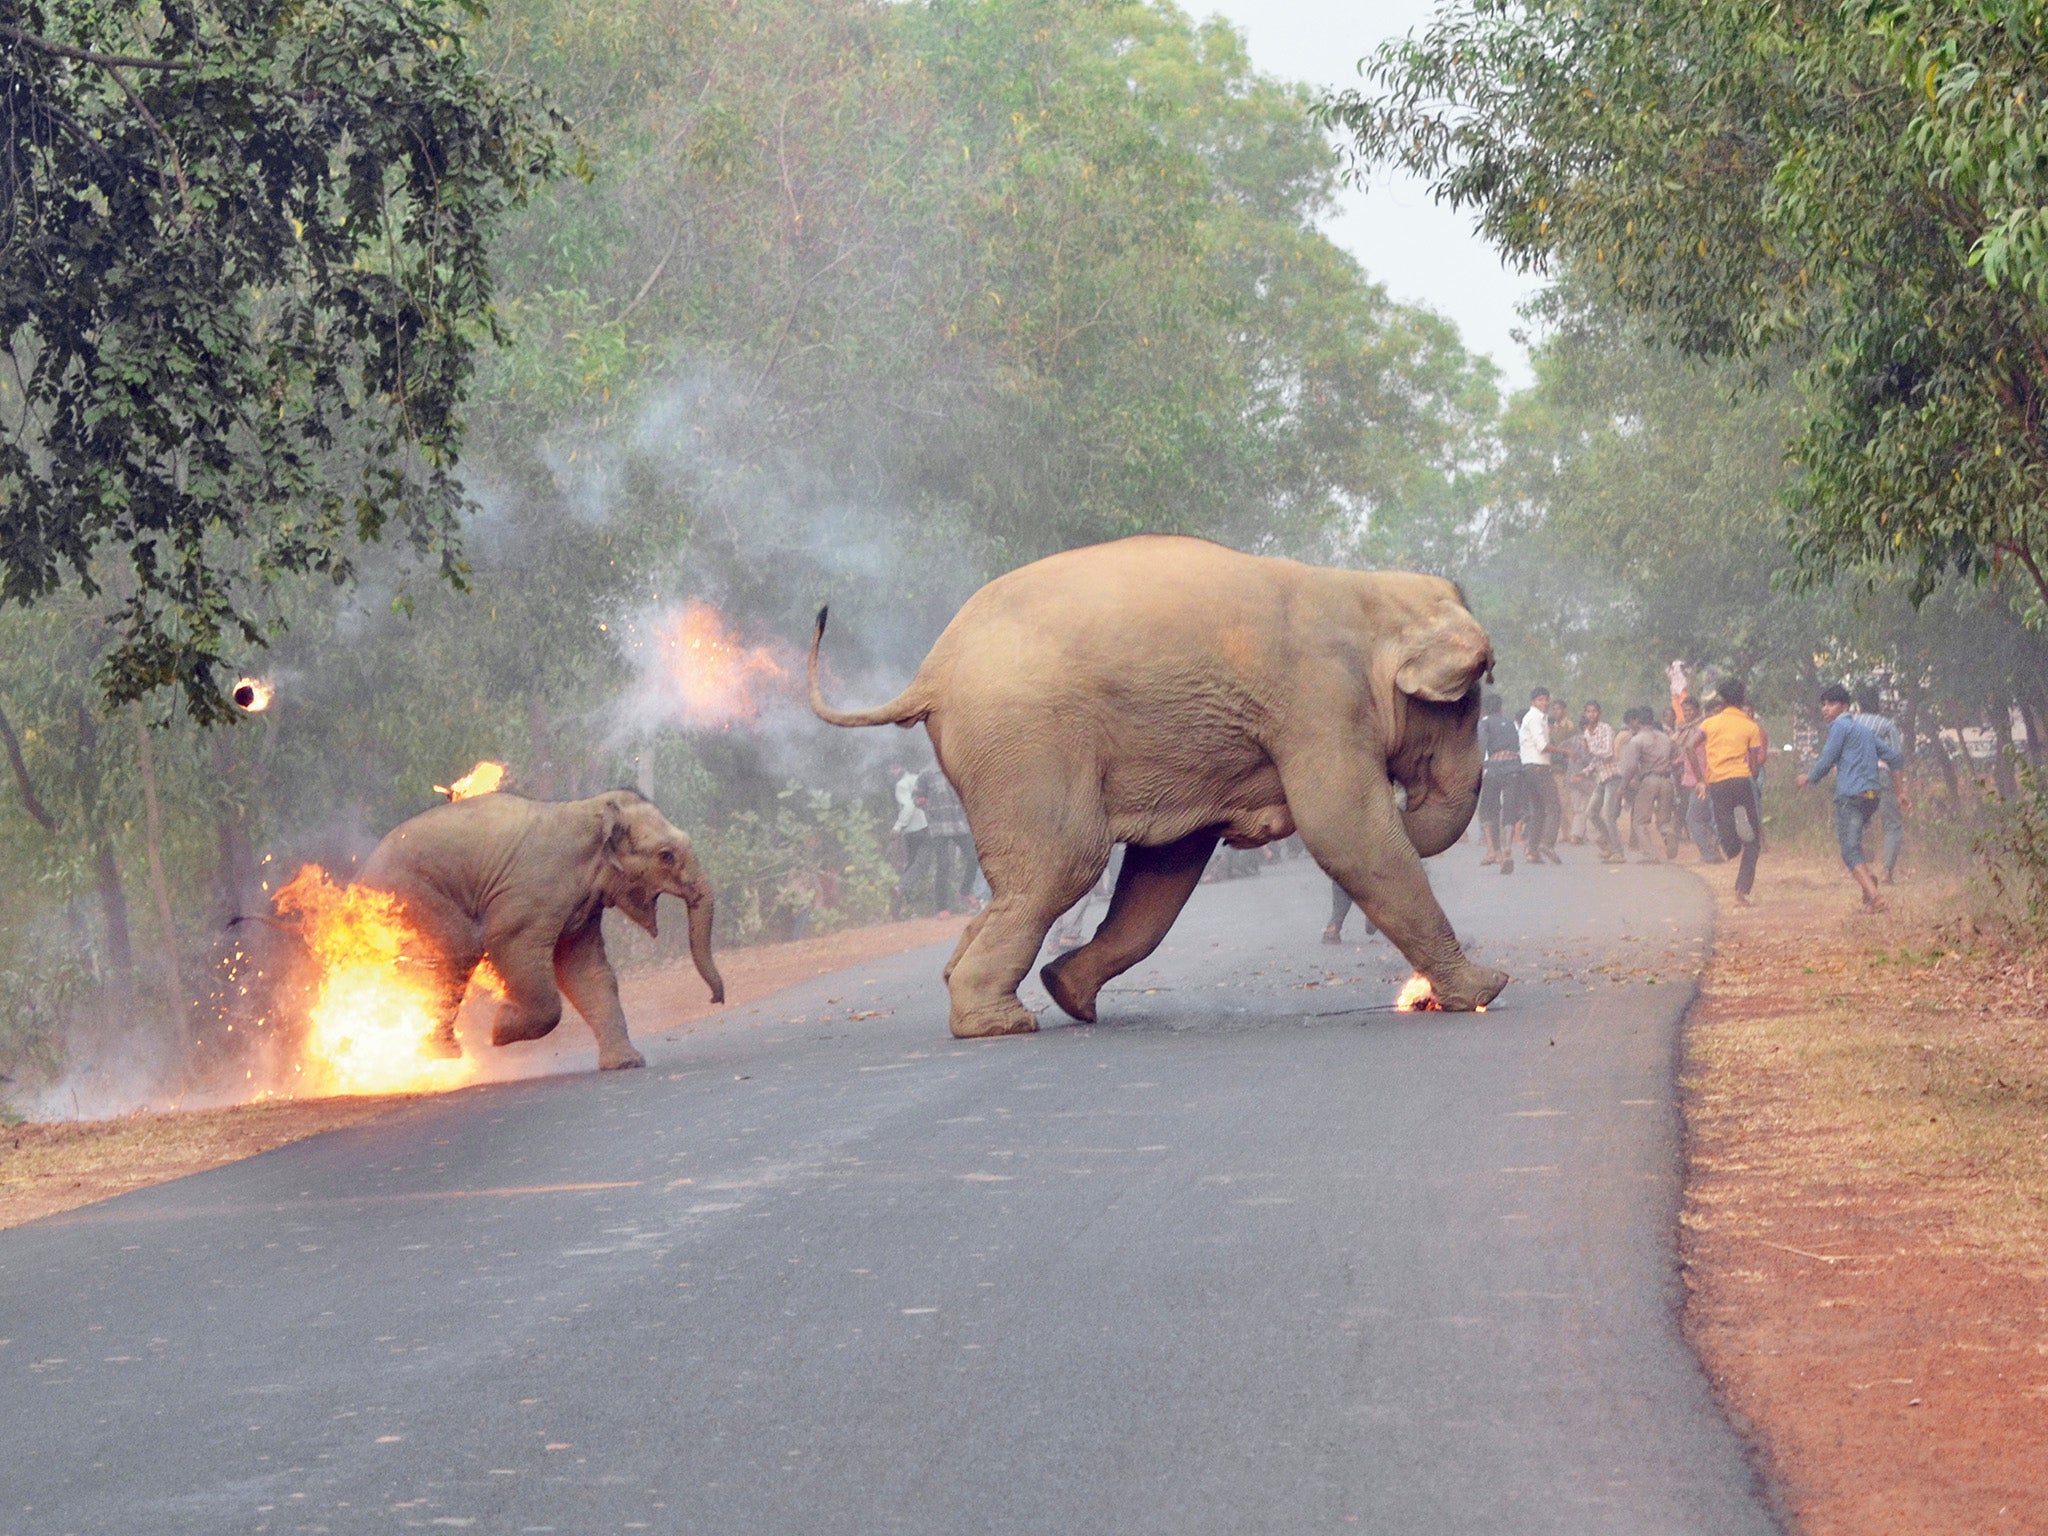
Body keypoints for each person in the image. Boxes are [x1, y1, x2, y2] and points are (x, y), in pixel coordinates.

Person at [1798, 683, 1907, 912]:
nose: (1826, 709)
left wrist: (1810, 778)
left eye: (1831, 704)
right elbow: (1895, 758)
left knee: (1849, 851)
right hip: (1871, 796)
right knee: (1856, 846)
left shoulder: (1840, 727)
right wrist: (1900, 791)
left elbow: (1827, 759)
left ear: (1844, 706)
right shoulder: (1864, 731)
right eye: (1824, 704)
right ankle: (1869, 887)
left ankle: (1877, 898)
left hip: (1851, 796)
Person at [1692, 679, 1767, 904]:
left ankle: (1730, 844)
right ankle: (1741, 891)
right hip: (1742, 781)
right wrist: (1751, 775)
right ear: (1742, 699)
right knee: (1753, 842)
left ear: (1722, 700)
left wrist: (1700, 779)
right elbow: (1755, 763)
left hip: (1718, 783)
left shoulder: (1710, 723)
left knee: (1728, 835)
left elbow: (1688, 746)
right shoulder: (1750, 726)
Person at [1855, 686, 1909, 883]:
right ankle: (1886, 872)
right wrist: (1900, 791)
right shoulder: (1887, 725)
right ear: (1878, 705)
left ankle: (1864, 868)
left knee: (1860, 820)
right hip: (1881, 775)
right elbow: (1895, 759)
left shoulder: (1850, 724)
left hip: (1858, 779)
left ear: (1859, 705)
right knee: (1892, 823)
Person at [1618, 709, 1682, 862]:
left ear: (1638, 722)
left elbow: (1631, 767)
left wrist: (1623, 786)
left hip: (1649, 780)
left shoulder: (1637, 740)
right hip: (1667, 780)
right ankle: (1669, 833)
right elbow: (1677, 756)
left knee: (1639, 822)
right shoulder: (1666, 738)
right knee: (1664, 820)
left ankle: (1651, 855)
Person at [919, 765, 980, 916]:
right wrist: (924, 802)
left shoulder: (957, 768)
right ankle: (941, 908)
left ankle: (965, 892)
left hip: (959, 824)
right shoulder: (927, 773)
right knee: (943, 865)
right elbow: (916, 796)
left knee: (974, 857)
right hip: (939, 826)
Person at [1475, 690, 1523, 874]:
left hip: (1495, 768)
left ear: (1484, 709)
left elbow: (1482, 746)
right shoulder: (1511, 723)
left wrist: (1480, 766)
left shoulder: (1485, 723)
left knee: (1488, 808)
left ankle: (1492, 851)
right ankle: (1508, 848)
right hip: (1515, 767)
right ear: (1501, 708)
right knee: (1509, 808)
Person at [1518, 687, 1563, 863]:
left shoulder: (1537, 718)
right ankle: (1547, 843)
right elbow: (1542, 746)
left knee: (1538, 811)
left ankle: (1532, 850)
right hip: (1538, 768)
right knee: (1554, 807)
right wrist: (1566, 751)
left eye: (1546, 699)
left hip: (1529, 768)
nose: (1544, 703)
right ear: (1533, 702)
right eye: (1540, 700)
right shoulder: (1535, 718)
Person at [1675, 697, 1723, 862]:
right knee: (1704, 817)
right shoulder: (1688, 729)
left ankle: (1709, 854)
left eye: (1690, 710)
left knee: (1693, 818)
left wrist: (1702, 780)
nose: (1687, 713)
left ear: (1697, 710)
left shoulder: (1702, 728)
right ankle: (1713, 852)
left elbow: (1695, 750)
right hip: (1695, 778)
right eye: (1685, 710)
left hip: (1703, 779)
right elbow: (1686, 753)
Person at [889, 760, 933, 916]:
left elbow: (909, 805)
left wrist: (897, 827)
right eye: (892, 769)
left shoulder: (901, 785)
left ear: (902, 767)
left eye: (895, 767)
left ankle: (900, 900)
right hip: (926, 826)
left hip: (913, 829)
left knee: (915, 864)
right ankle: (903, 897)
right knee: (919, 864)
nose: (893, 771)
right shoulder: (918, 779)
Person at [1580, 700, 1622, 861]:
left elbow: (1608, 752)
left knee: (1608, 815)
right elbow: (1596, 760)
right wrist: (1585, 772)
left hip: (1612, 775)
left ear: (1599, 713)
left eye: (1594, 711)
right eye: (1589, 711)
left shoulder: (1606, 729)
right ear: (1585, 714)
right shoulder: (1587, 733)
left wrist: (1589, 749)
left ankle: (1618, 852)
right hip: (1601, 777)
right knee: (1591, 812)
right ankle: (1611, 845)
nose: (1591, 714)